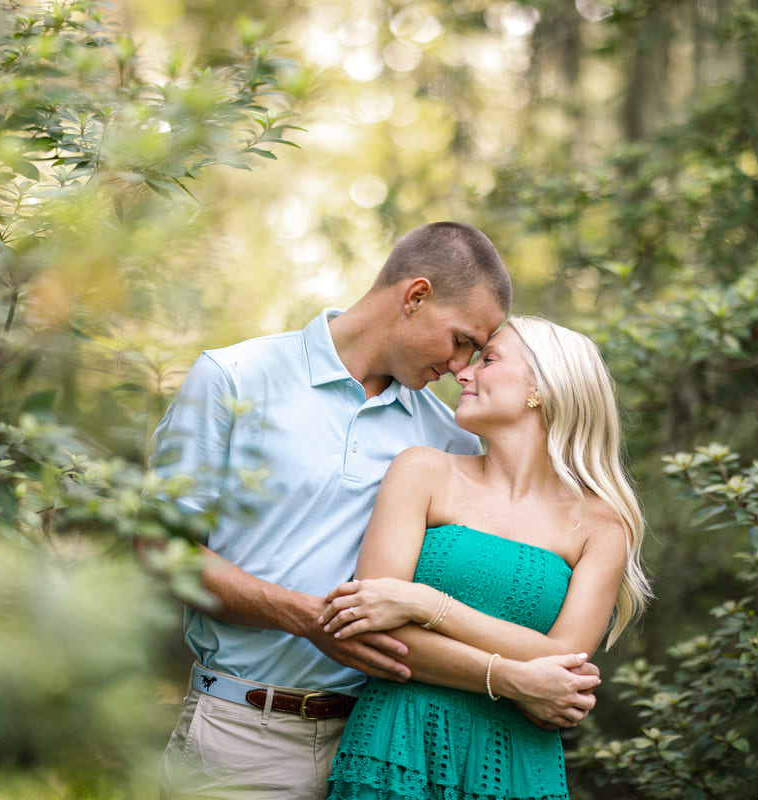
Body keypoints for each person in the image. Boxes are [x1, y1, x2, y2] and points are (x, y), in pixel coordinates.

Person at [147, 223, 602, 800]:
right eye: (462, 340)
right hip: (246, 733)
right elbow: (161, 550)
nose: (463, 366)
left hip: (395, 740)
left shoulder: (450, 439)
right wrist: (307, 618)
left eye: (481, 353)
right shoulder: (234, 378)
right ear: (415, 297)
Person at [318, 316, 652, 799]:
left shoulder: (603, 524)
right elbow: (372, 629)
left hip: (515, 764)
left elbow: (564, 660)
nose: (464, 372)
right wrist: (516, 678)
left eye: (488, 360)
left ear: (543, 387)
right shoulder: (424, 472)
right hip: (397, 744)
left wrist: (426, 605)